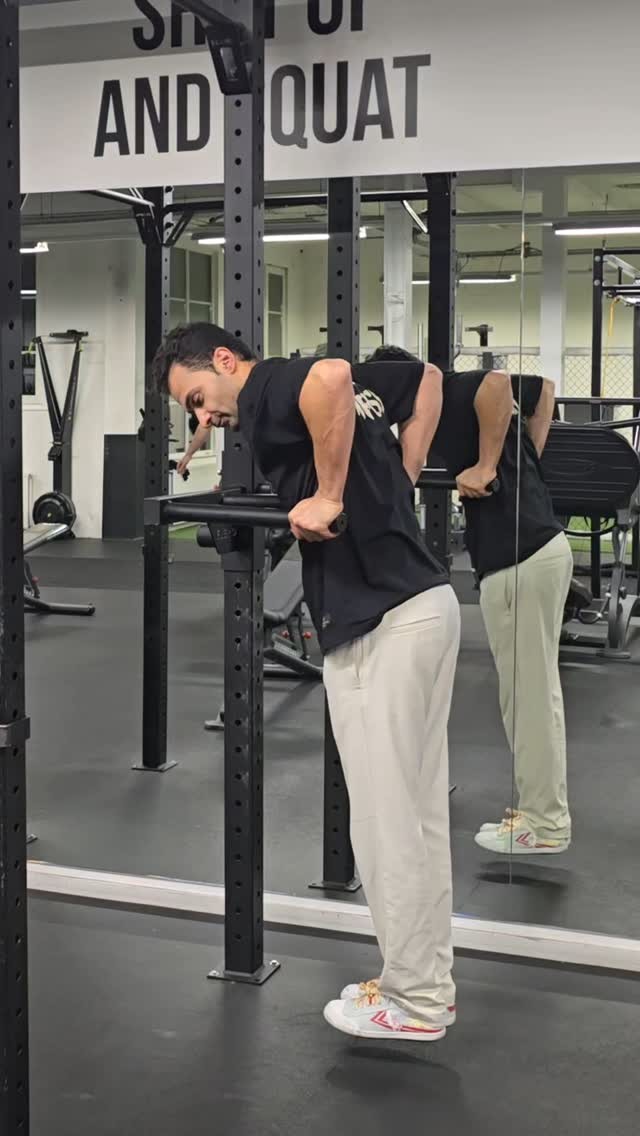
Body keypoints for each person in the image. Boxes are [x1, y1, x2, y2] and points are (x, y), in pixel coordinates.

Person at [152, 323, 468, 1043]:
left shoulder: (271, 386)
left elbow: (327, 375)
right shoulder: (315, 397)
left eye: (199, 396)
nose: (207, 415)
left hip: (386, 621)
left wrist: (329, 493)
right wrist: (397, 478)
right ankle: (424, 984)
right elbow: (425, 379)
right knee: (413, 821)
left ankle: (413, 1003)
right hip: (419, 605)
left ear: (227, 362)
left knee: (388, 826)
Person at [369, 346, 573, 857]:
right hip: (537, 548)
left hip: (520, 557)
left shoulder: (449, 390)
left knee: (527, 699)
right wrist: (522, 459)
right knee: (532, 695)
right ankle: (539, 809)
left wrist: (488, 464)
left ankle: (544, 824)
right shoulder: (434, 411)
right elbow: (544, 389)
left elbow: (497, 383)